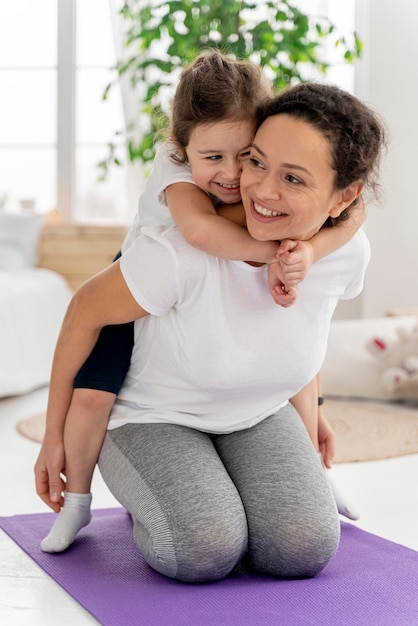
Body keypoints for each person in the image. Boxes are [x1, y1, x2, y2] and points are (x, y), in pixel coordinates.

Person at [35, 81, 385, 581]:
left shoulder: (343, 252)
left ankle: (207, 486)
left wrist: (316, 413)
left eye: (293, 177)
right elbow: (81, 314)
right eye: (258, 162)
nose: (261, 189)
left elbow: (302, 332)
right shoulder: (179, 247)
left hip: (254, 413)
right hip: (154, 415)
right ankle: (152, 490)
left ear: (343, 196)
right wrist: (54, 436)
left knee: (303, 547)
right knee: (203, 548)